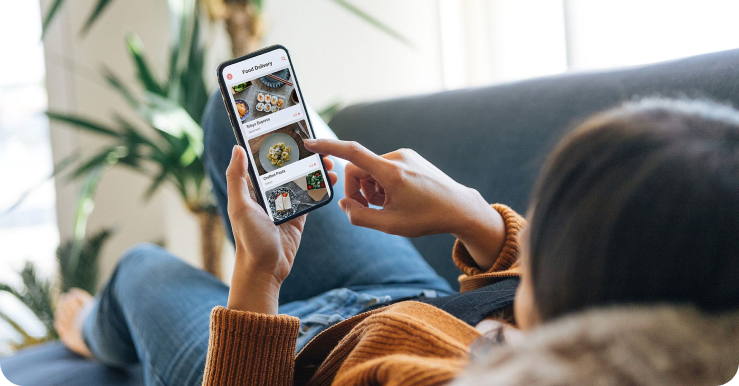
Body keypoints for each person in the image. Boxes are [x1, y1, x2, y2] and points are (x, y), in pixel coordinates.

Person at [55, 98, 739, 386]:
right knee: (235, 108)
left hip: (283, 358)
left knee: (139, 270)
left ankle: (93, 329)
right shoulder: (679, 314)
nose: (533, 252)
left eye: (546, 241)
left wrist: (258, 279)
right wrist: (472, 216)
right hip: (410, 303)